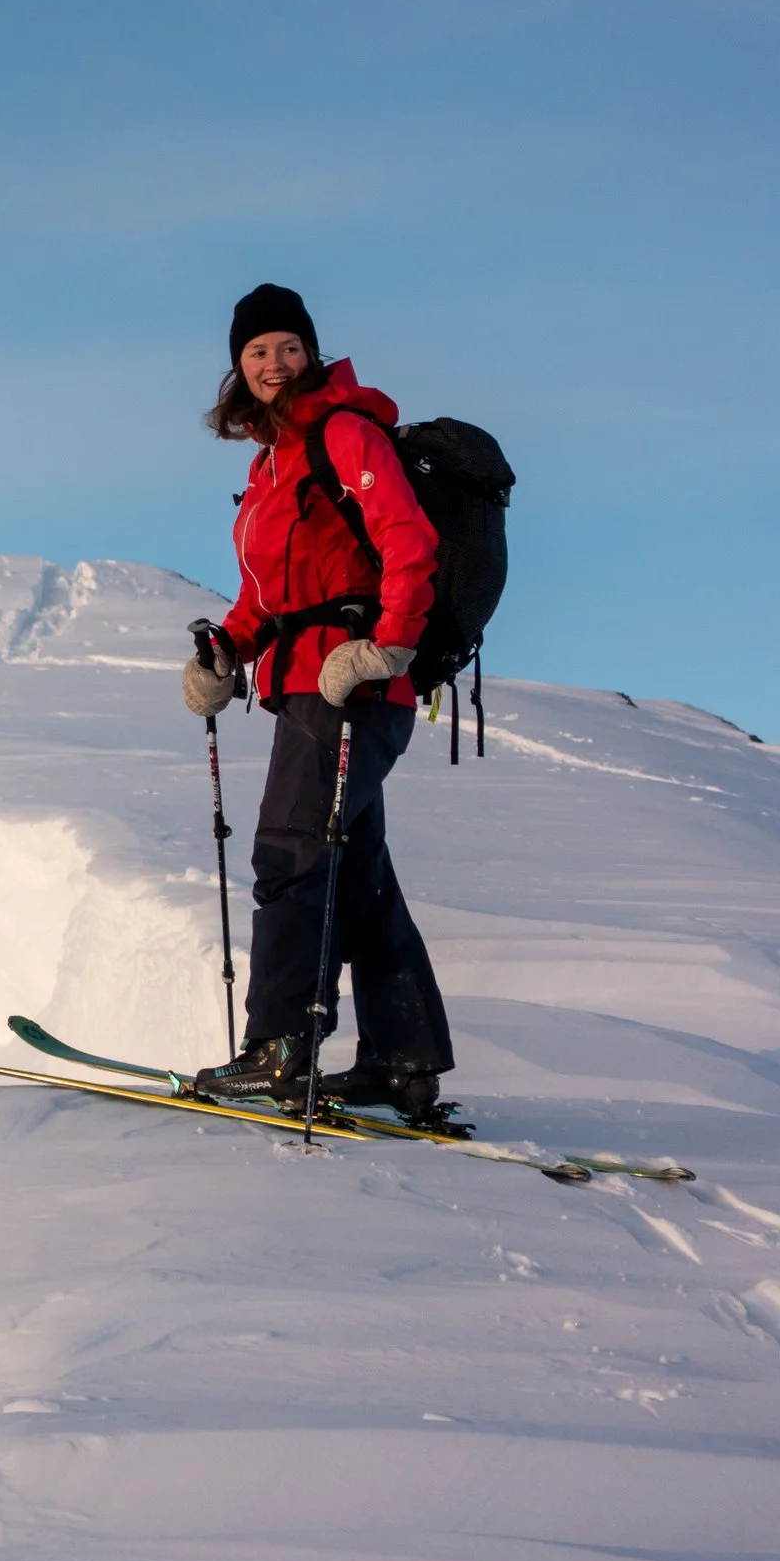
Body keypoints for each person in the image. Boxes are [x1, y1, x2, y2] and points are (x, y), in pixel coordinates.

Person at [181, 284, 454, 1121]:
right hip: (306, 682)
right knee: (354, 870)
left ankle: (279, 1048)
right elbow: (269, 597)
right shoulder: (271, 465)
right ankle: (399, 1059)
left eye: (286, 347)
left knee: (293, 853)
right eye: (255, 352)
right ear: (239, 368)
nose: (272, 363)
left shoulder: (344, 432)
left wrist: (389, 644)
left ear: (310, 352)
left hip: (356, 683)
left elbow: (410, 541)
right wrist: (227, 653)